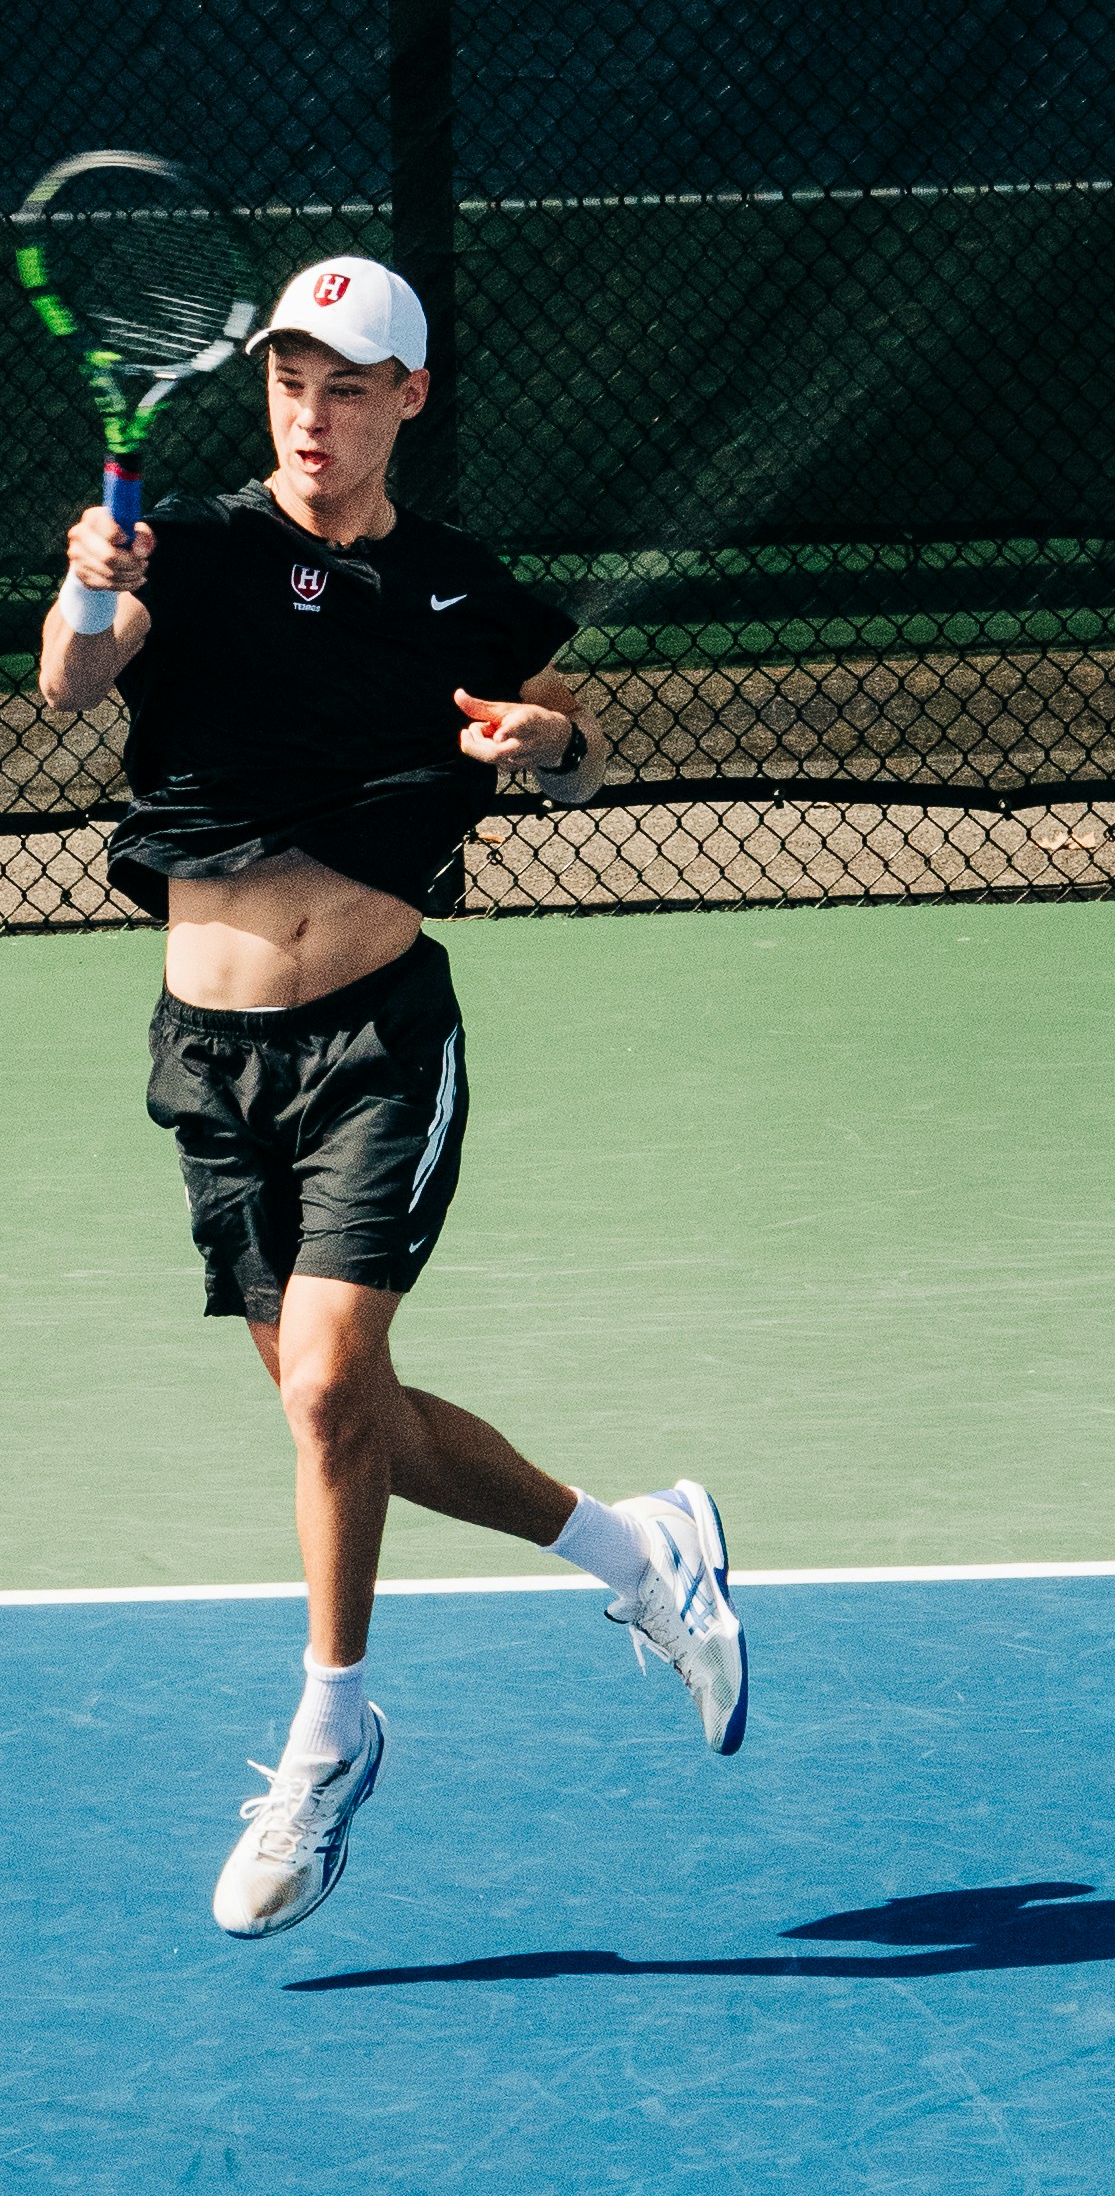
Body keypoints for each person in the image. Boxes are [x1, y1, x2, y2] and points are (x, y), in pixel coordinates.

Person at [38, 254, 746, 1940]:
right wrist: (85, 584)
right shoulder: (189, 555)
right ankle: (643, 1555)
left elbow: (579, 750)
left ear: (407, 400)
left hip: (375, 1045)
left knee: (336, 1379)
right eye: (291, 379)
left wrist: (542, 741)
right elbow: (76, 681)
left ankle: (328, 1732)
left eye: (348, 384)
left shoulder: (457, 592)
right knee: (334, 1414)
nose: (312, 411)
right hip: (209, 1064)